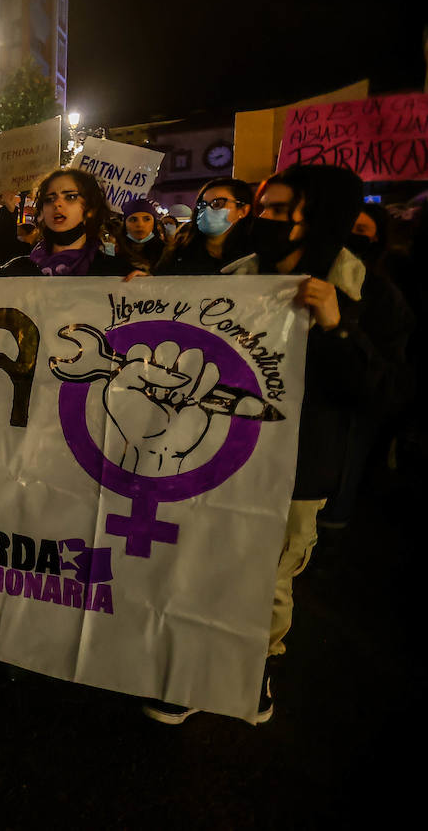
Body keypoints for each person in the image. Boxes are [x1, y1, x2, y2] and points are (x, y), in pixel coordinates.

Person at [142, 164, 413, 726]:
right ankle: (194, 672)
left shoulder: (370, 292)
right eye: (263, 209)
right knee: (205, 563)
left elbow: (387, 394)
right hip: (221, 452)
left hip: (299, 468)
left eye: (280, 212)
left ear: (319, 221)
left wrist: (340, 329)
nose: (262, 220)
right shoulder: (235, 279)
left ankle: (250, 670)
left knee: (268, 578)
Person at [0, 170, 139, 278]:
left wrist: (146, 290)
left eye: (70, 197)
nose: (57, 204)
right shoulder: (19, 269)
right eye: (50, 198)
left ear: (90, 208)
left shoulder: (116, 273)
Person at [154, 178, 256, 275]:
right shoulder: (178, 251)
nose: (207, 210)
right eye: (202, 205)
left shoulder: (255, 252)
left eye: (217, 204)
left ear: (243, 210)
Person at [117, 198, 166, 272]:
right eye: (133, 220)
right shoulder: (113, 251)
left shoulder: (166, 252)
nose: (140, 224)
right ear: (125, 223)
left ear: (154, 223)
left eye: (147, 219)